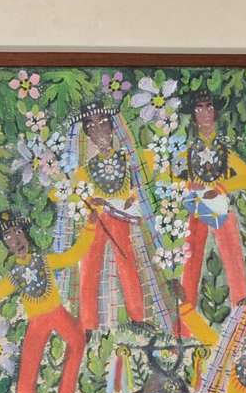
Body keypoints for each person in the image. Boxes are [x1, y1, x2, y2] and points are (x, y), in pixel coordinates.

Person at [0, 210, 95, 393]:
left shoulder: (43, 260)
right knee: (28, 372)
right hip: (37, 322)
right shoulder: (15, 274)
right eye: (8, 237)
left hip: (58, 313)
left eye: (18, 232)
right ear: (5, 245)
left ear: (26, 234)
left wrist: (90, 226)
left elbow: (73, 256)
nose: (16, 240)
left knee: (77, 341)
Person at [67, 99, 171, 333]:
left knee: (128, 262)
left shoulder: (129, 160)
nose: (99, 131)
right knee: (89, 266)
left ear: (112, 126)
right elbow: (77, 197)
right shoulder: (85, 170)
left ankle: (138, 316)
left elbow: (141, 186)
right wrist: (92, 205)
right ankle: (87, 323)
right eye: (91, 126)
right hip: (96, 221)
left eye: (103, 123)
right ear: (88, 134)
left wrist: (131, 199)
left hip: (122, 218)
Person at [175, 87, 246, 322]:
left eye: (209, 108)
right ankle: (187, 322)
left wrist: (220, 187)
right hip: (196, 210)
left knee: (234, 261)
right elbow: (168, 177)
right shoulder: (187, 152)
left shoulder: (224, 150)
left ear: (215, 113)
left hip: (221, 209)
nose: (205, 113)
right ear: (193, 115)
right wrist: (188, 185)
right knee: (190, 262)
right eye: (199, 109)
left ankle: (241, 318)